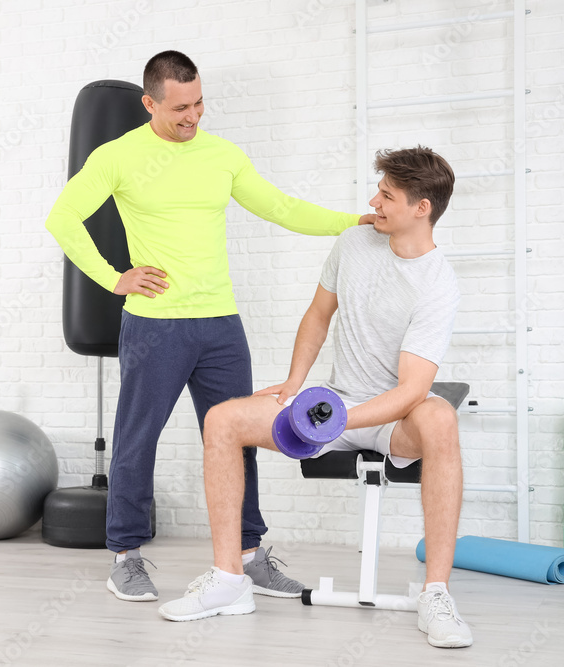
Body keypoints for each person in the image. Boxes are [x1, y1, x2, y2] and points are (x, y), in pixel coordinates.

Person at [44, 50, 375, 603]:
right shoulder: (119, 155)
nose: (193, 116)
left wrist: (352, 222)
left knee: (239, 436)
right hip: (156, 327)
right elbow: (62, 217)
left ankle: (248, 555)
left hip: (221, 325)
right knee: (136, 440)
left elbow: (281, 208)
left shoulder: (222, 155)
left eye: (199, 102)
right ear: (149, 103)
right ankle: (125, 556)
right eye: (179, 108)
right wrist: (113, 278)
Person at [158, 146, 472, 649]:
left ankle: (436, 593)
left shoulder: (438, 283)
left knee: (438, 420)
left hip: (391, 416)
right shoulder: (354, 243)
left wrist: (331, 421)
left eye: (387, 195)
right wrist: (293, 383)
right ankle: (229, 579)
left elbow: (411, 389)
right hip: (333, 403)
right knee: (222, 419)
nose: (374, 202)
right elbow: (318, 315)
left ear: (422, 208)